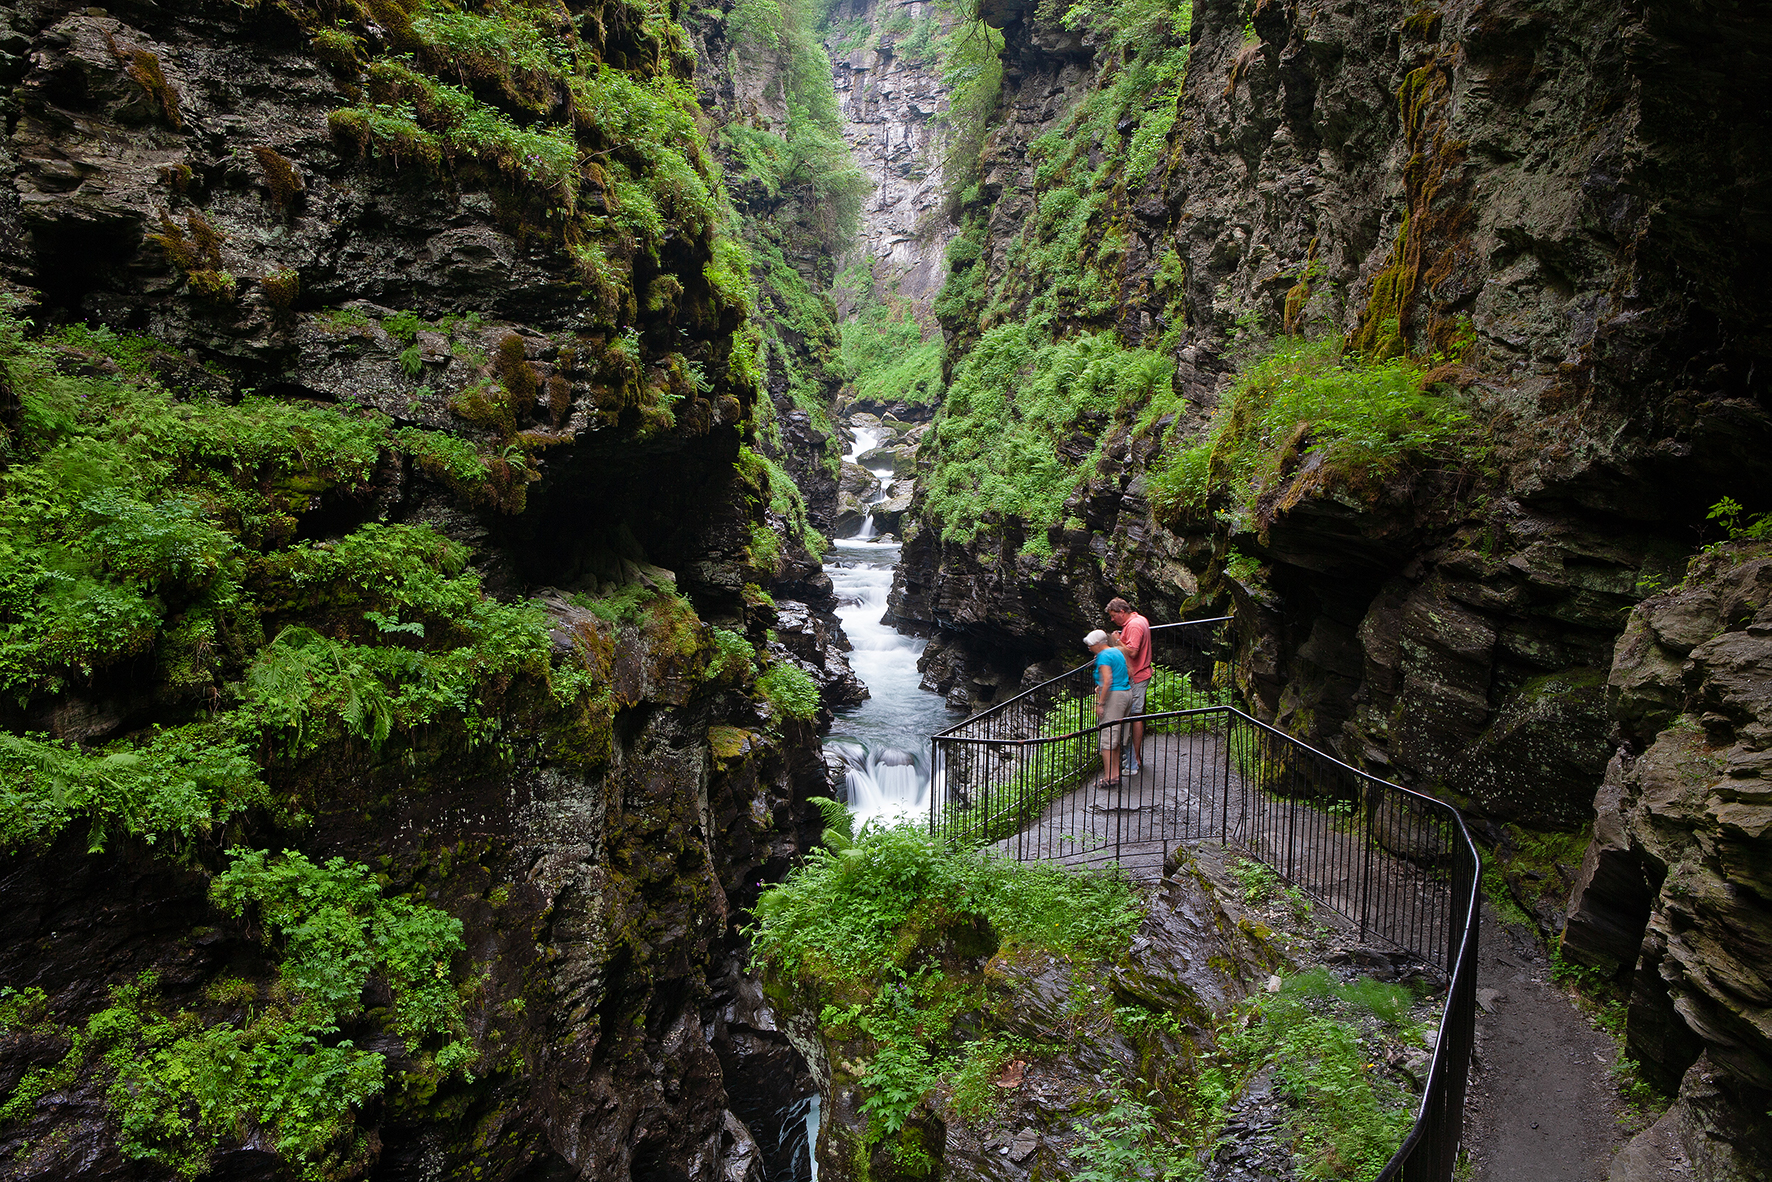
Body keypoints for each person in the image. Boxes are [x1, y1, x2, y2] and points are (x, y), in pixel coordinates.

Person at [1106, 597, 1151, 775]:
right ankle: (1131, 756)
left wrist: (1117, 641)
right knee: (1133, 715)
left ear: (1121, 612)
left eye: (1113, 615)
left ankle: (1135, 758)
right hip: (1138, 674)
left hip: (1138, 675)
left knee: (1135, 715)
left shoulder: (1133, 625)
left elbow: (1132, 651)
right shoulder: (1140, 620)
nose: (1112, 619)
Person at [1085, 629, 1132, 785]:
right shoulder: (1115, 651)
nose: (1089, 648)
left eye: (1090, 645)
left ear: (1098, 644)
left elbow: (1108, 680)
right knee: (1115, 738)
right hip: (1126, 693)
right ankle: (1115, 774)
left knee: (1107, 739)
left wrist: (1100, 703)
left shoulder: (1104, 656)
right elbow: (1128, 672)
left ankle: (1109, 778)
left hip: (1114, 697)